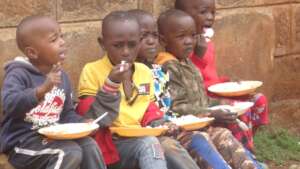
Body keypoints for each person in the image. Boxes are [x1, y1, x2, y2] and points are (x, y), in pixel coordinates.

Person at [156, 9, 262, 169]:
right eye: (181, 37)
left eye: (192, 36)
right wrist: (211, 113)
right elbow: (176, 107)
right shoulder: (168, 66)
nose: (189, 41)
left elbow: (201, 99)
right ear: (163, 40)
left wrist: (223, 103)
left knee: (224, 135)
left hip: (202, 125)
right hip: (181, 133)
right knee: (202, 141)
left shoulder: (186, 62)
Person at [0, 16, 106, 169]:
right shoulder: (18, 74)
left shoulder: (62, 77)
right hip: (22, 142)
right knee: (69, 152)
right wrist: (41, 90)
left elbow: (66, 114)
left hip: (52, 138)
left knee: (89, 145)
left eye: (61, 36)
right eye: (54, 39)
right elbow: (10, 105)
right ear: (32, 52)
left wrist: (81, 123)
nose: (62, 42)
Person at [77, 11, 168, 169]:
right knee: (150, 144)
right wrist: (111, 83)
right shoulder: (92, 70)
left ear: (139, 42)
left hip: (139, 137)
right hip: (109, 144)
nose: (126, 52)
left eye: (132, 45)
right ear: (102, 43)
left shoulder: (144, 72)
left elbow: (147, 107)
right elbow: (92, 119)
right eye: (118, 45)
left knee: (166, 144)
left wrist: (159, 123)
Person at [175, 0, 269, 152]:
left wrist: (227, 81)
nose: (210, 17)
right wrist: (198, 55)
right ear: (184, 16)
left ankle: (246, 143)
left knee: (259, 100)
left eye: (213, 12)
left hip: (217, 92)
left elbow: (210, 75)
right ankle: (244, 152)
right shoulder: (182, 47)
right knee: (235, 110)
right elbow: (194, 80)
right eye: (203, 12)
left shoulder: (207, 43)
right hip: (205, 98)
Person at [128, 9, 201, 169]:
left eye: (154, 35)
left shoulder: (158, 70)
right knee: (170, 146)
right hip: (143, 134)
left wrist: (170, 123)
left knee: (202, 138)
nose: (151, 41)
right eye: (143, 37)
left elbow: (166, 106)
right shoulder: (126, 74)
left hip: (167, 126)